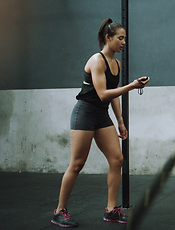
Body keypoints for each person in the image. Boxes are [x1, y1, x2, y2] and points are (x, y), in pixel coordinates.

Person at [51, 18, 150, 228]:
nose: (124, 42)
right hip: (84, 114)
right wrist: (132, 86)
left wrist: (120, 122)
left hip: (101, 115)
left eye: (125, 39)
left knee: (116, 159)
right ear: (108, 38)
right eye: (120, 38)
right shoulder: (97, 60)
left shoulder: (117, 63)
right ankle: (59, 211)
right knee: (77, 164)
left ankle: (111, 210)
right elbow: (103, 94)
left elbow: (113, 96)